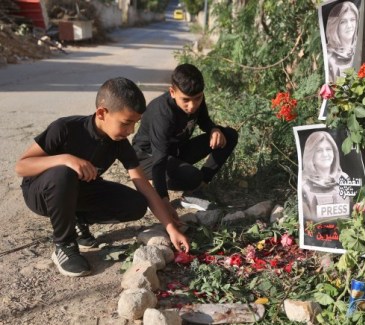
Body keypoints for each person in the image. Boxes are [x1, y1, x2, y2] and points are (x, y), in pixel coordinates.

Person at [15, 77, 190, 277]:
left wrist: (170, 227)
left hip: (77, 192)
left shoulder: (119, 142)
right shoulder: (65, 128)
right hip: (41, 193)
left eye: (135, 123)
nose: (131, 131)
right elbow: (22, 167)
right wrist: (65, 159)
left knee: (136, 204)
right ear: (101, 113)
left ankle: (78, 220)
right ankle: (64, 245)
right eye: (126, 123)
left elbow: (143, 184)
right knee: (64, 172)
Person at [131, 64, 238, 211]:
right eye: (186, 100)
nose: (192, 106)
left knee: (229, 136)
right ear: (172, 92)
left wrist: (213, 129)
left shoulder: (196, 97)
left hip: (175, 151)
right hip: (148, 159)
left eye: (198, 98)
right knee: (192, 176)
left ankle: (195, 191)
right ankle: (153, 189)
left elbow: (204, 120)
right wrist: (163, 200)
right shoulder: (162, 113)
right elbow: (159, 161)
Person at [301, 131, 350, 222]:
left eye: (328, 149)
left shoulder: (344, 178)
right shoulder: (303, 184)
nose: (325, 154)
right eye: (319, 150)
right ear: (310, 155)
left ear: (334, 152)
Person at [325, 1, 359, 83]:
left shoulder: (362, 47)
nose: (349, 26)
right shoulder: (329, 56)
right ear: (335, 25)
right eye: (343, 22)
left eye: (352, 20)